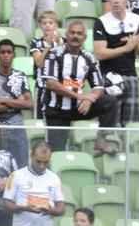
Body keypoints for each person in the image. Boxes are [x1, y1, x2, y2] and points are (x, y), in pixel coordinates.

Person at [44, 21, 119, 154]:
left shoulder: (89, 58)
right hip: (57, 110)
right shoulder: (54, 54)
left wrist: (90, 99)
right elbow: (51, 83)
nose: (75, 36)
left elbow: (99, 86)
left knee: (110, 102)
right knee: (57, 153)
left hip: (79, 108)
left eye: (79, 33)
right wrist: (80, 96)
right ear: (66, 35)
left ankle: (101, 140)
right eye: (72, 33)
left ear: (85, 38)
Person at [93, 0, 139, 128]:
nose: (116, 1)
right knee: (112, 122)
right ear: (109, 2)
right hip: (109, 78)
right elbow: (100, 53)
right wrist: (126, 48)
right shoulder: (101, 22)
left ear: (126, 1)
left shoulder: (136, 20)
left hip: (131, 75)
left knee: (132, 123)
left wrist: (134, 45)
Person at [0, 38, 32, 168]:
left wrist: (3, 100)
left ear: (14, 55)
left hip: (17, 126)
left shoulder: (20, 76)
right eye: (2, 52)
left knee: (21, 167)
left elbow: (29, 104)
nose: (6, 55)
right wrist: (17, 101)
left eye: (9, 52)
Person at [30, 10, 64, 118]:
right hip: (42, 87)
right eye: (44, 23)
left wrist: (58, 44)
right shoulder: (36, 42)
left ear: (56, 25)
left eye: (51, 23)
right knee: (40, 119)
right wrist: (48, 46)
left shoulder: (65, 42)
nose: (47, 26)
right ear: (40, 25)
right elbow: (39, 63)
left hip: (61, 86)